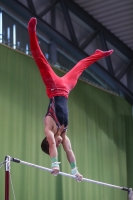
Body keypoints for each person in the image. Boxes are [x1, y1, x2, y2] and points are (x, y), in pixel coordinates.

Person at [28, 17, 113, 182]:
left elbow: (53, 145)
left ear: (48, 139)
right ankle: (97, 55)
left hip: (53, 87)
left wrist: (54, 164)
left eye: (56, 144)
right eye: (60, 144)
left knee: (40, 60)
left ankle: (31, 32)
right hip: (65, 89)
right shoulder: (64, 134)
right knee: (80, 66)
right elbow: (69, 151)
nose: (60, 143)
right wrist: (75, 171)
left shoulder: (48, 127)